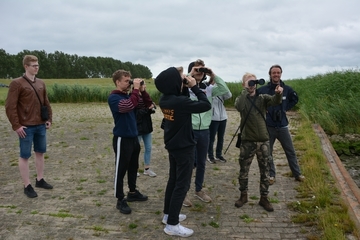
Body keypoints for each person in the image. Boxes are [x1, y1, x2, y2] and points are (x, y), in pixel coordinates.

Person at [155, 66, 211, 237]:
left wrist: (187, 83)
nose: (184, 78)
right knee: (182, 184)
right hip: (184, 147)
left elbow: (182, 99)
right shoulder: (178, 102)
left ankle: (168, 215)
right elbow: (205, 105)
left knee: (173, 180)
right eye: (181, 77)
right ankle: (172, 225)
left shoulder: (166, 99)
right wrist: (194, 87)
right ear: (173, 82)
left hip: (173, 144)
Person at [183, 59, 230, 207]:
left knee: (202, 163)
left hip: (204, 130)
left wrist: (212, 75)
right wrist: (189, 75)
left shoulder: (208, 89)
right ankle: (183, 192)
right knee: (188, 163)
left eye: (201, 70)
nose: (199, 72)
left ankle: (198, 190)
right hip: (189, 129)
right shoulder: (184, 88)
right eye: (197, 69)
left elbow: (225, 90)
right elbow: (174, 89)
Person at [5, 54, 53, 198]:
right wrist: (17, 125)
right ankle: (27, 185)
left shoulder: (41, 83)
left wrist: (49, 118)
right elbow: (10, 106)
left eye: (37, 65)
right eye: (34, 65)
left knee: (40, 152)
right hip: (25, 127)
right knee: (25, 155)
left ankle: (40, 179)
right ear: (26, 66)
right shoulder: (17, 83)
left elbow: (46, 102)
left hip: (40, 125)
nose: (36, 67)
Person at [234, 72, 283, 212]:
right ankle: (243, 196)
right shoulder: (241, 99)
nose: (252, 84)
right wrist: (246, 90)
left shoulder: (262, 98)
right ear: (244, 84)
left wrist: (278, 93)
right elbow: (239, 106)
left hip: (263, 141)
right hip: (247, 141)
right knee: (244, 170)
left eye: (253, 82)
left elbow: (275, 101)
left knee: (265, 171)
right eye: (249, 82)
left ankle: (264, 198)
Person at [108, 70, 148, 215]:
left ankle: (132, 191)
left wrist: (141, 90)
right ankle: (120, 199)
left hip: (133, 137)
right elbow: (128, 106)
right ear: (118, 82)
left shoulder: (129, 95)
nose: (129, 83)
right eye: (126, 81)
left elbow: (145, 105)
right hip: (122, 138)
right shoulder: (114, 97)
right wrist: (135, 90)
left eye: (130, 81)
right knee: (121, 169)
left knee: (133, 167)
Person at [258, 65, 305, 184]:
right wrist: (263, 109)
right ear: (270, 74)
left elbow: (295, 99)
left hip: (283, 125)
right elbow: (255, 100)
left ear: (281, 74)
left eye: (278, 73)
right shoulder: (263, 90)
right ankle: (271, 175)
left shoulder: (287, 89)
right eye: (274, 73)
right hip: (269, 125)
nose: (276, 75)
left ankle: (297, 174)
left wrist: (285, 108)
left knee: (290, 151)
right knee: (268, 153)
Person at [207, 81, 232, 163]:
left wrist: (223, 86)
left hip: (223, 117)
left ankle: (218, 155)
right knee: (211, 138)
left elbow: (229, 95)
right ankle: (210, 156)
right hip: (213, 118)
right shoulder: (210, 90)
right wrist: (213, 86)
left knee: (221, 138)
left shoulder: (221, 91)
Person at [136, 82, 157, 177]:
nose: (145, 87)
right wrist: (148, 109)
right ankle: (134, 168)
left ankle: (147, 169)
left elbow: (149, 107)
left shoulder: (146, 96)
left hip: (147, 126)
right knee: (136, 149)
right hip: (138, 126)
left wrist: (152, 108)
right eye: (143, 85)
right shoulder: (133, 96)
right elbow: (137, 113)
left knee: (148, 147)